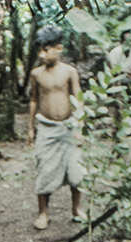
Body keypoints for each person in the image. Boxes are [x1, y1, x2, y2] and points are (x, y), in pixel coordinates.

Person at [28, 25, 86, 231]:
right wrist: (31, 128)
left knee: (76, 170)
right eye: (40, 50)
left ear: (58, 48)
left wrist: (80, 125)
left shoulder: (69, 72)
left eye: (46, 49)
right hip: (47, 127)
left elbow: (78, 98)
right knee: (45, 168)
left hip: (69, 127)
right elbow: (34, 99)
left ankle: (76, 208)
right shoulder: (36, 74)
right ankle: (43, 213)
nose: (42, 55)